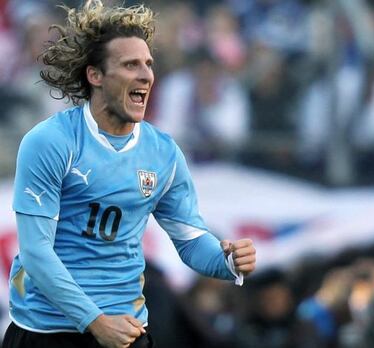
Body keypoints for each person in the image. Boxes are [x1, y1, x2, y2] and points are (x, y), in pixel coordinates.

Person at [2, 1, 256, 348]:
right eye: (130, 65)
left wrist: (225, 261)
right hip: (49, 332)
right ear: (95, 75)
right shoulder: (51, 142)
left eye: (148, 64)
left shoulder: (162, 152)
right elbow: (36, 252)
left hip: (125, 332)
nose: (146, 75)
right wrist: (95, 321)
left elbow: (191, 239)